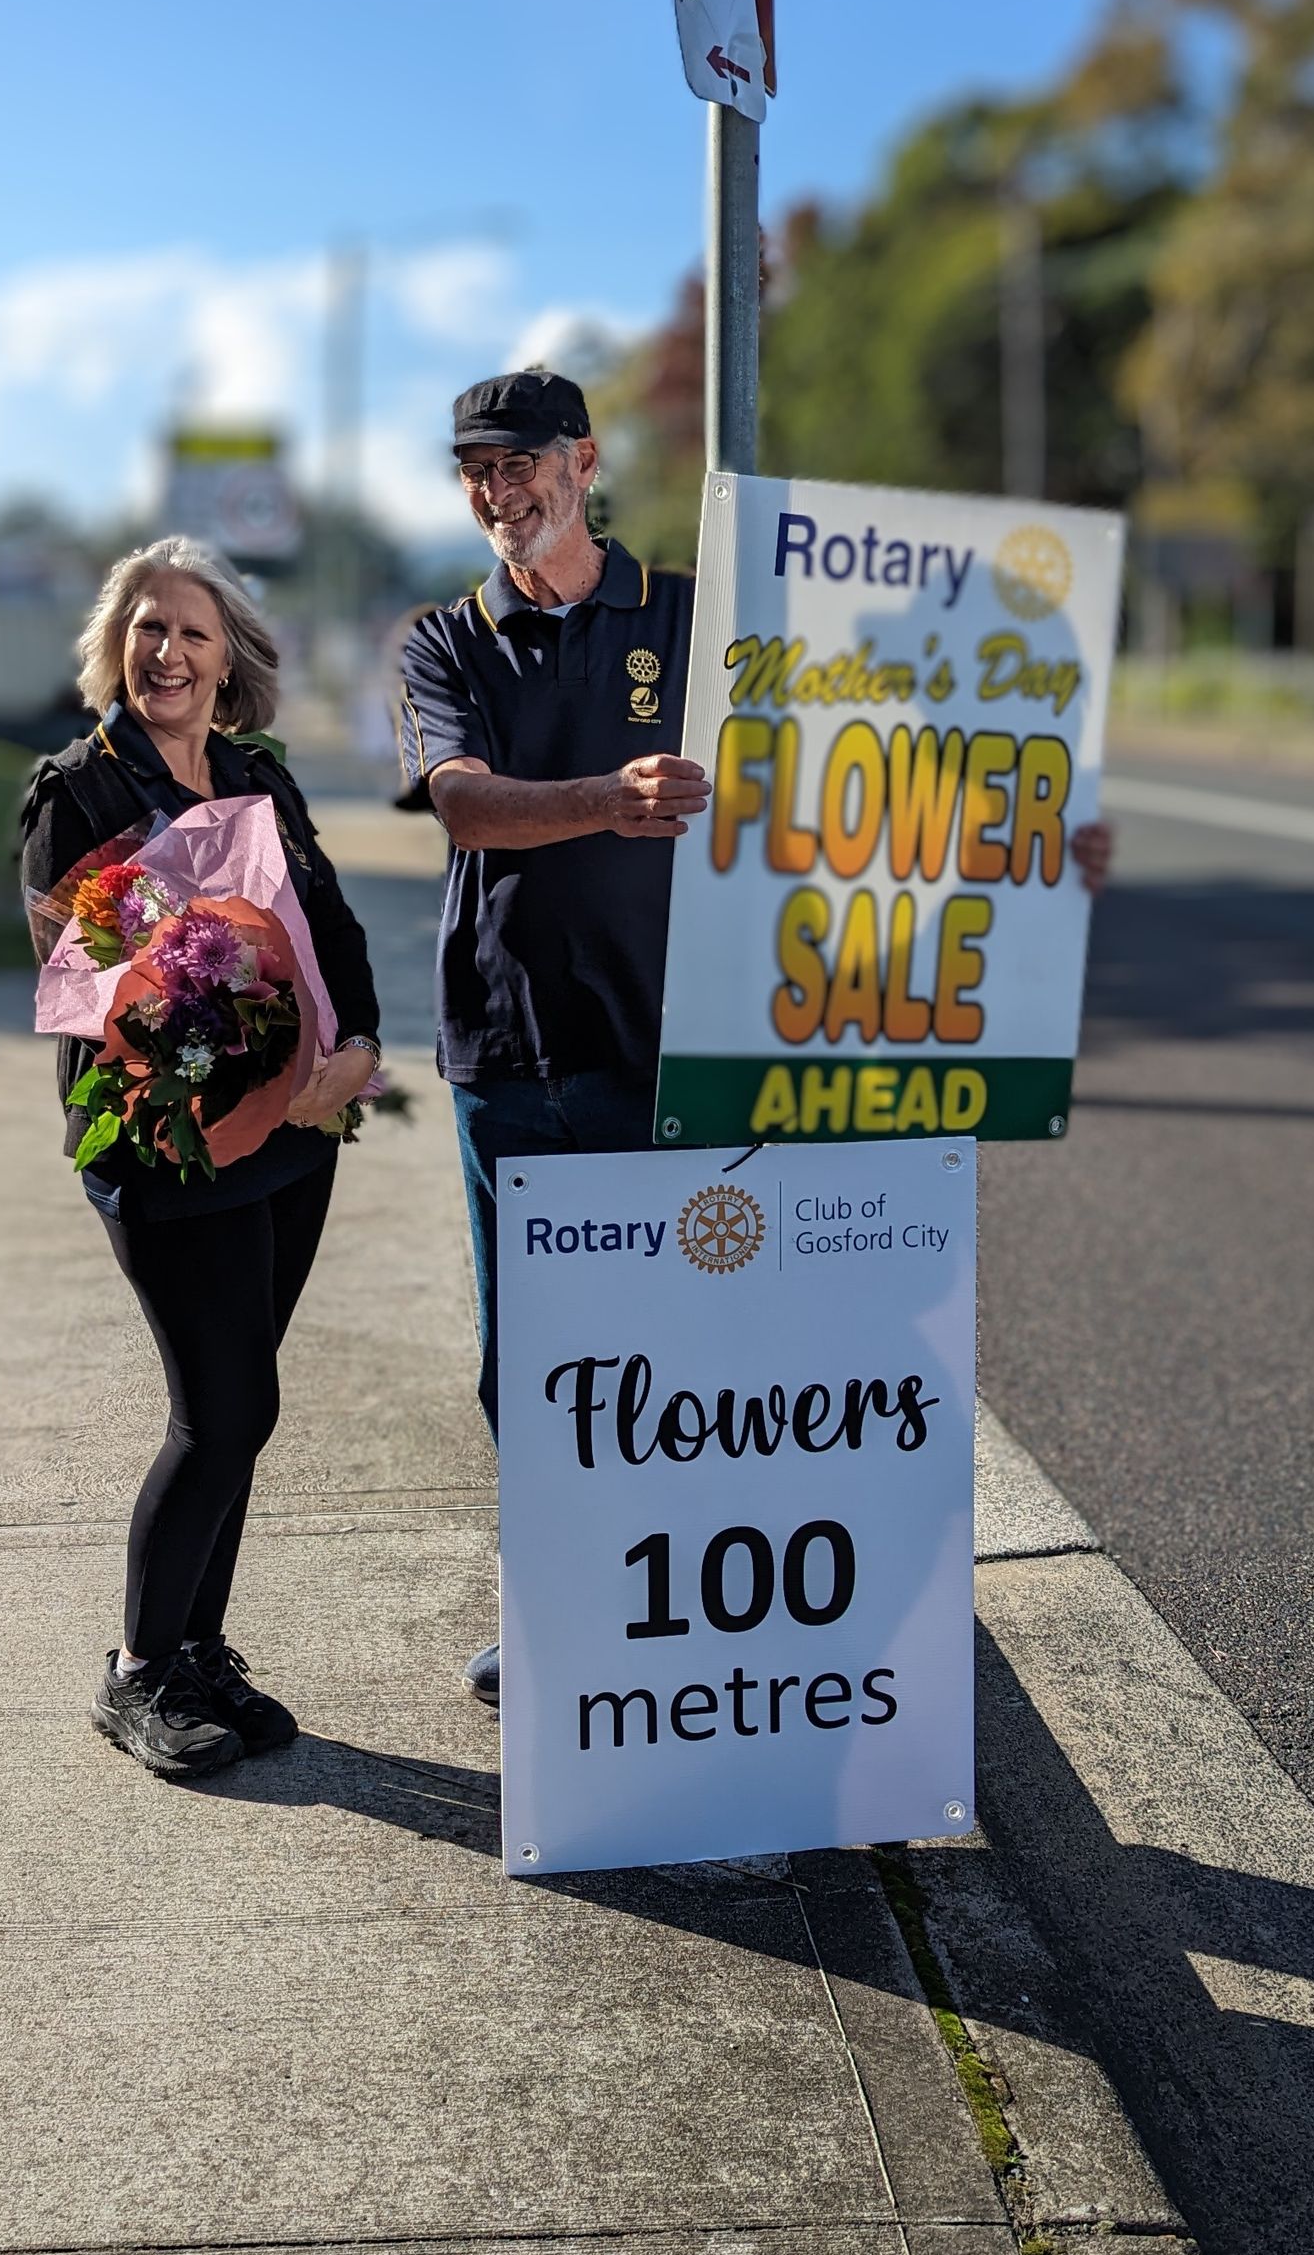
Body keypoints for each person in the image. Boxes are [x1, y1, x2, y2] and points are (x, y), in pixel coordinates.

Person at [394, 371, 1112, 1707]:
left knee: (686, 1364)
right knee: (530, 1372)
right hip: (505, 1059)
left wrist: (1031, 842)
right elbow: (468, 807)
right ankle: (561, 1617)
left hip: (670, 1054)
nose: (500, 489)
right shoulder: (446, 641)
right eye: (476, 469)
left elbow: (864, 752)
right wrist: (612, 797)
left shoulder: (691, 613)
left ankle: (692, 1637)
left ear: (586, 461)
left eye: (522, 461)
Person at [21, 536, 381, 1782]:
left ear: (232, 660)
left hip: (292, 1137)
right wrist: (181, 989)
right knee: (224, 1407)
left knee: (242, 1408)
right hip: (167, 1148)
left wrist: (358, 1049)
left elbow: (328, 920)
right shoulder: (78, 789)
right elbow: (79, 980)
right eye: (146, 629)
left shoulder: (257, 775)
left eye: (191, 632)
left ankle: (197, 1651)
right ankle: (136, 1670)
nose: (165, 651)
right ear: (116, 648)